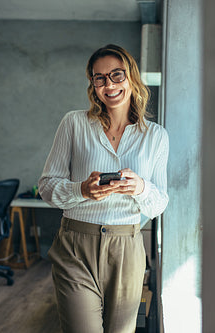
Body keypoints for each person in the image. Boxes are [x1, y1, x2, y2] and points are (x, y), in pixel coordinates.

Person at [38, 44, 169, 333]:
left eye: (116, 75)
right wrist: (81, 191)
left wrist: (141, 188)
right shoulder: (74, 123)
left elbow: (159, 202)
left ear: (132, 78)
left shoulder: (156, 136)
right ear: (93, 84)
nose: (108, 84)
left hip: (127, 249)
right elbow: (46, 186)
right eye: (99, 78)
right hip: (75, 246)